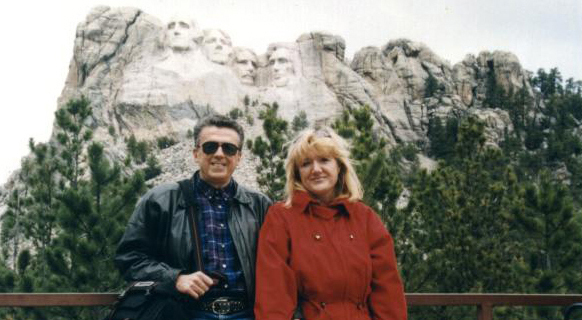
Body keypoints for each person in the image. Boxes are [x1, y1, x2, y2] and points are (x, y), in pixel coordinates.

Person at [115, 114, 272, 319]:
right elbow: (129, 257)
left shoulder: (260, 204)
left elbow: (280, 267)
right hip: (185, 313)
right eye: (210, 147)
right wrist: (175, 278)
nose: (219, 154)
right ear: (196, 153)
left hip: (246, 314)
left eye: (228, 148)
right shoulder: (161, 200)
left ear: (239, 157)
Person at [254, 127, 407, 320]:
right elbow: (273, 295)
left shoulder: (364, 217)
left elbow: (387, 290)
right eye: (306, 163)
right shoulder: (281, 217)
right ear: (297, 172)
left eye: (324, 160)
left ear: (339, 166)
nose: (316, 170)